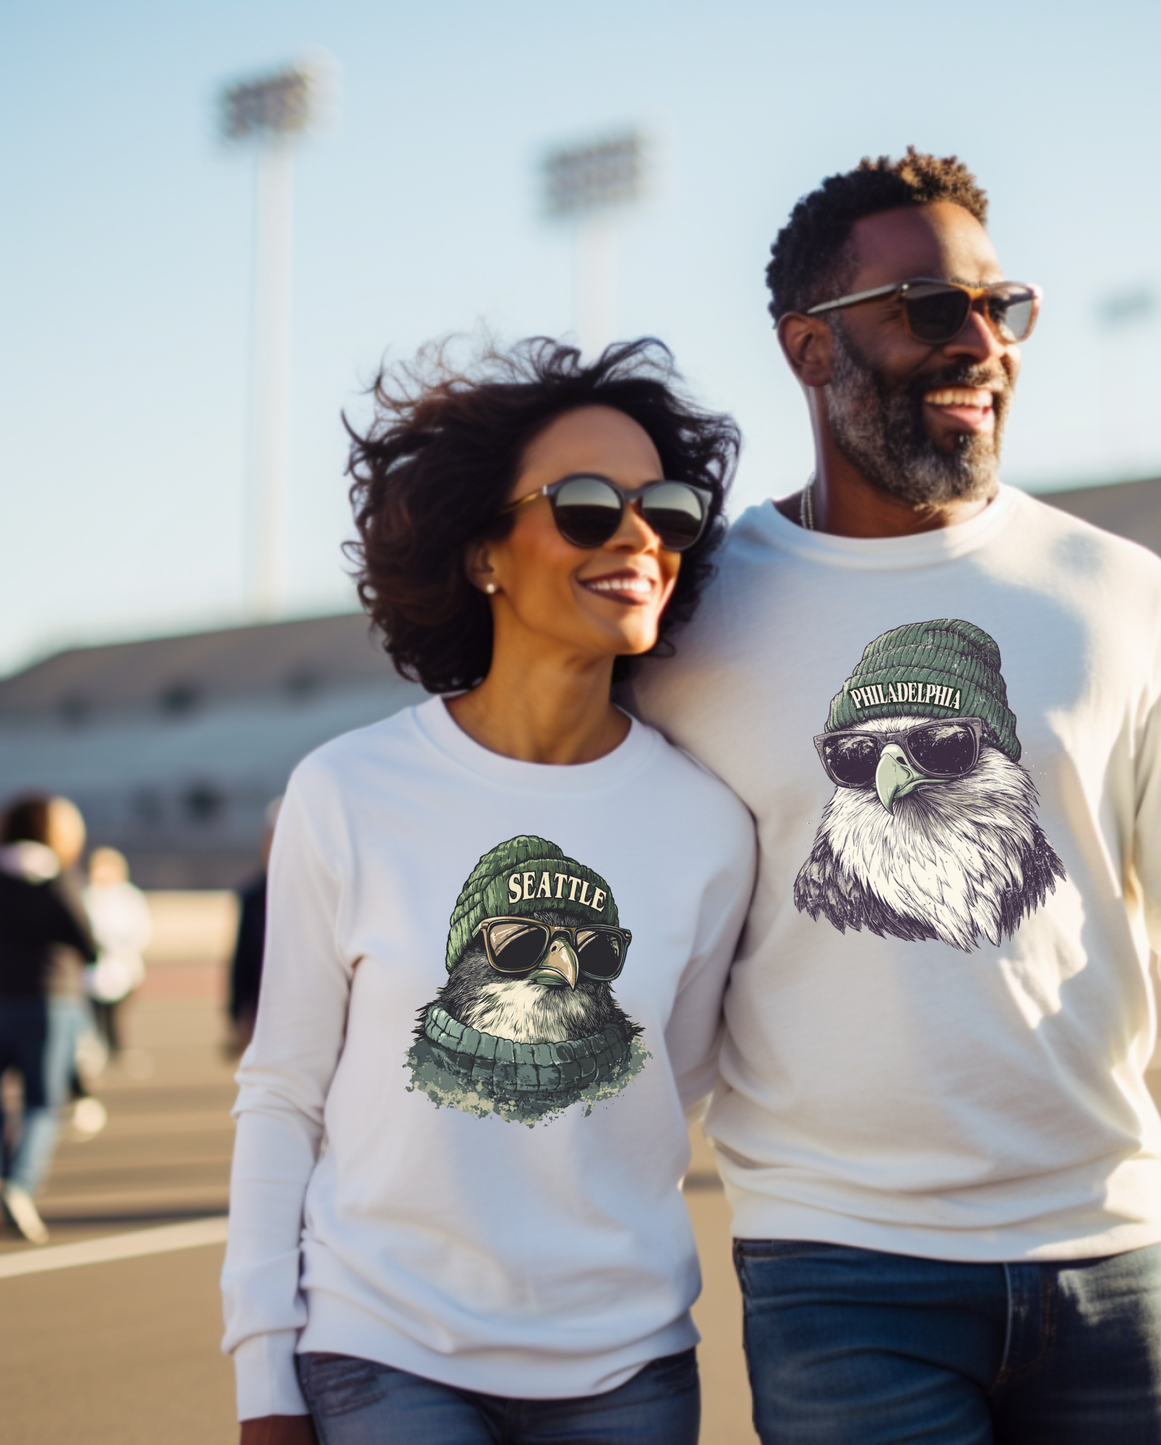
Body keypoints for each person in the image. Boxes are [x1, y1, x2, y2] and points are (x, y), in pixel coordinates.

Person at [631, 150, 1161, 1444]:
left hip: (1111, 1254)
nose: (978, 342)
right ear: (809, 348)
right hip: (834, 1268)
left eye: (999, 305)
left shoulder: (1117, 594)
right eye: (924, 306)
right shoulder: (691, 620)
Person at [221, 338, 755, 1445]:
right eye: (587, 505)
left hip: (628, 1369)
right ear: (483, 555)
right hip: (383, 1350)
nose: (638, 535)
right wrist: (262, 1375)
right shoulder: (348, 790)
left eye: (665, 506)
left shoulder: (707, 822)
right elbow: (282, 1091)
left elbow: (681, 1074)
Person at [0, 793, 97, 1243]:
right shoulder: (57, 878)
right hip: (48, 1000)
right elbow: (85, 939)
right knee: (42, 1101)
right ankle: (20, 1183)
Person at [83, 846, 151, 1058]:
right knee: (94, 1012)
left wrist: (122, 948)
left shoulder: (129, 896)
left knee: (118, 1011)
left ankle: (117, 1046)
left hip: (123, 965)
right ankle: (98, 1044)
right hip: (94, 967)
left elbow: (141, 929)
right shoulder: (86, 895)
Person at [227, 798, 282, 1057]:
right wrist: (235, 1014)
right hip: (266, 1009)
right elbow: (242, 960)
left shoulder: (329, 895)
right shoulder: (252, 896)